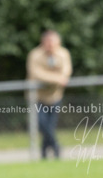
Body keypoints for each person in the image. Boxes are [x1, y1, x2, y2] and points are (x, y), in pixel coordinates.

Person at [26, 30, 72, 159]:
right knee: (42, 125)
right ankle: (56, 147)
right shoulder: (35, 55)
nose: (50, 45)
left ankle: (44, 154)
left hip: (55, 96)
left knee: (50, 127)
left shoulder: (63, 54)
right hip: (37, 98)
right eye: (48, 42)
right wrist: (57, 79)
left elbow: (66, 71)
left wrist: (60, 77)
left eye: (53, 42)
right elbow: (36, 74)